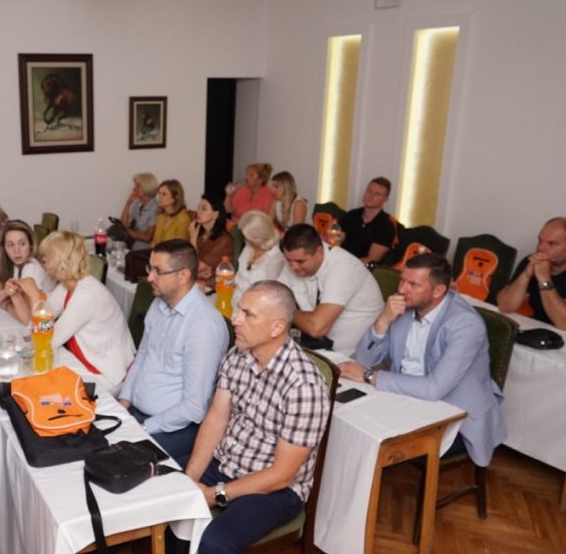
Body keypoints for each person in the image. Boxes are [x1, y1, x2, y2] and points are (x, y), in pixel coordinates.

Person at [184, 281, 330, 554]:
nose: (235, 320)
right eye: (239, 310)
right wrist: (188, 479)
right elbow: (216, 419)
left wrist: (215, 494)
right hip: (227, 463)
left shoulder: (304, 387)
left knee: (215, 543)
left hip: (274, 490)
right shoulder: (238, 355)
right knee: (165, 502)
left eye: (248, 314)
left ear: (277, 327)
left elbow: (281, 475)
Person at [339, 254, 506, 466]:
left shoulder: (466, 324)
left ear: (438, 291)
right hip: (406, 396)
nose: (402, 289)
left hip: (454, 416)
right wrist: (383, 320)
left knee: (367, 436)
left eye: (413, 285)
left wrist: (370, 376)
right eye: (402, 280)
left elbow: (434, 389)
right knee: (347, 418)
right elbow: (364, 359)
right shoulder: (404, 306)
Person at [118, 240, 229, 465]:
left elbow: (193, 408)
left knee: (117, 464)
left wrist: (143, 428)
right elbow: (142, 356)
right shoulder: (159, 304)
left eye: (158, 271)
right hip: (138, 413)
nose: (150, 277)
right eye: (150, 268)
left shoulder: (203, 325)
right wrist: (123, 402)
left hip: (174, 427)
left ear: (183, 276)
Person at [16, 231, 135, 395]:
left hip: (106, 374)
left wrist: (34, 296)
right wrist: (29, 300)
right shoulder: (68, 285)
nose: (42, 260)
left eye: (47, 256)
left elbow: (48, 342)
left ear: (60, 260)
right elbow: (42, 318)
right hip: (87, 361)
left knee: (37, 387)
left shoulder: (87, 295)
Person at [496, 217, 566, 341]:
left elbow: (564, 323)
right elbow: (505, 306)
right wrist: (525, 275)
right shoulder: (532, 261)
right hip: (544, 333)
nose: (541, 248)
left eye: (552, 244)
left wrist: (544, 279)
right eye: (540, 241)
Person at [278, 224, 384, 354]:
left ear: (319, 252)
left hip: (352, 354)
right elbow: (271, 297)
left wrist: (284, 311)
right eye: (289, 260)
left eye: (301, 262)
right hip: (315, 347)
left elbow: (317, 327)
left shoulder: (343, 267)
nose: (293, 267)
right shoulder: (295, 260)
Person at [0, 220, 53, 320]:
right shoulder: (13, 265)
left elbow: (27, 318)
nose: (16, 251)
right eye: (10, 245)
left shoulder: (32, 267)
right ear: (4, 248)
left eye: (22, 244)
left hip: (46, 322)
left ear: (30, 245)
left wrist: (6, 305)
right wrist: (5, 292)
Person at [232, 211, 286, 310]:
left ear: (258, 238)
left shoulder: (276, 260)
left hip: (256, 309)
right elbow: (238, 277)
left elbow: (269, 297)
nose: (244, 240)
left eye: (247, 238)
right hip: (235, 301)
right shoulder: (248, 248)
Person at [339, 177, 396, 265]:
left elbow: (371, 259)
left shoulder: (385, 226)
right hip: (340, 260)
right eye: (369, 191)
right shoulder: (351, 215)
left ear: (385, 199)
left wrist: (345, 265)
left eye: (377, 194)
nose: (370, 196)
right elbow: (337, 241)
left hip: (361, 268)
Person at [189, 193, 234, 288]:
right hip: (196, 281)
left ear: (215, 214)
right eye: (198, 207)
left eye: (204, 209)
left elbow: (195, 267)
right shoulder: (200, 234)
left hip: (214, 286)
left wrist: (192, 238)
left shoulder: (224, 240)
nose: (198, 211)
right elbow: (187, 263)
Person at [120, 172, 160, 250]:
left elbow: (147, 237)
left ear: (147, 187)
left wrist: (128, 231)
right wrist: (128, 203)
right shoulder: (137, 204)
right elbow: (124, 224)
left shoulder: (155, 208)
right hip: (131, 247)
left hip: (145, 250)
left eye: (137, 186)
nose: (134, 189)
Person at [151, 179, 191, 246]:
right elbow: (154, 242)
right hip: (158, 251)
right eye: (159, 193)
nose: (159, 197)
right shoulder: (161, 216)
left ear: (175, 198)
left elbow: (180, 247)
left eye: (164, 194)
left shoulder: (183, 219)